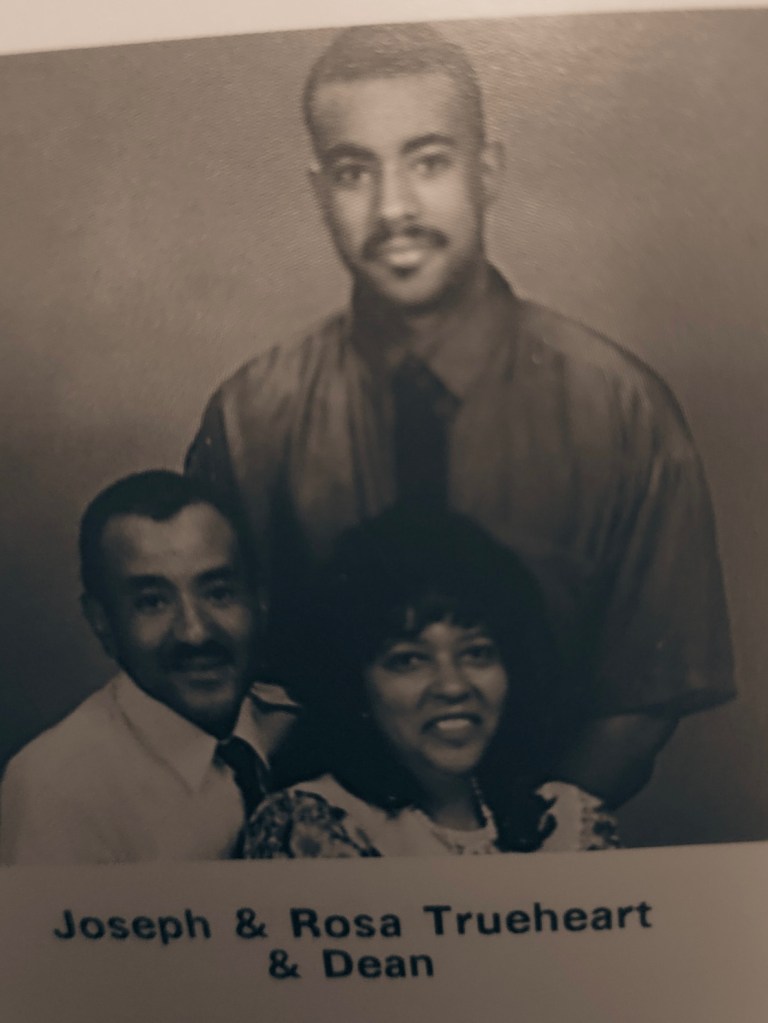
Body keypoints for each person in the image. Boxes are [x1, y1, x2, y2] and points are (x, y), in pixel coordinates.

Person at [186, 23, 734, 812]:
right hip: (324, 878)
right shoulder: (249, 420)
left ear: (488, 172)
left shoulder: (621, 409)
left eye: (429, 161)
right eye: (353, 171)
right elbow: (213, 672)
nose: (394, 208)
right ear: (317, 192)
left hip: (544, 869)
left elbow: (644, 696)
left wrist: (510, 857)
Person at [244, 507, 619, 858]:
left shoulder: (568, 821)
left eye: (477, 653)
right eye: (409, 660)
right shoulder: (312, 824)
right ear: (353, 683)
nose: (453, 686)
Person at [0, 470, 297, 865]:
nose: (194, 632)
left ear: (259, 601)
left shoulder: (295, 723)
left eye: (219, 593)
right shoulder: (57, 793)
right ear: (102, 622)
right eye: (152, 602)